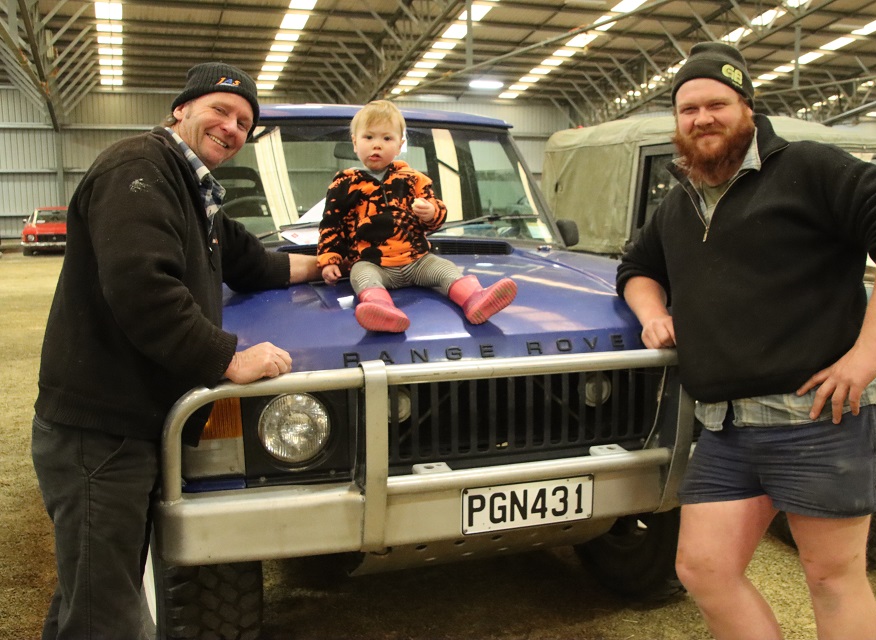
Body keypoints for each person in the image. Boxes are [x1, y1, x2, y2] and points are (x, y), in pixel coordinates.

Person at [617, 42, 876, 640]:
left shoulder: (809, 169)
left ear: (747, 106)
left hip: (818, 416)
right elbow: (636, 267)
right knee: (703, 569)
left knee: (830, 576)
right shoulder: (680, 203)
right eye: (688, 109)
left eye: (716, 103)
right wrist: (651, 312)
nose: (702, 118)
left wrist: (869, 353)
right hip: (724, 426)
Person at [31, 61, 321, 639]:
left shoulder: (195, 191)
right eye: (220, 110)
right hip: (101, 431)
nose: (232, 127)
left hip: (128, 426)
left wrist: (336, 264)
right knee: (105, 615)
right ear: (181, 109)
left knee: (91, 590)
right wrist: (227, 357)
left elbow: (255, 262)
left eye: (243, 121)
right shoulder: (140, 168)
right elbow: (142, 286)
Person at [317, 100, 517, 333]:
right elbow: (331, 223)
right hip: (373, 263)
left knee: (445, 269)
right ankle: (381, 308)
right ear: (354, 142)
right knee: (360, 275)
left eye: (387, 139)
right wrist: (329, 259)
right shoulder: (345, 183)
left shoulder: (414, 179)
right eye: (368, 137)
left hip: (418, 260)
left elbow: (437, 215)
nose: (377, 146)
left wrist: (431, 212)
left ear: (400, 144)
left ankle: (474, 298)